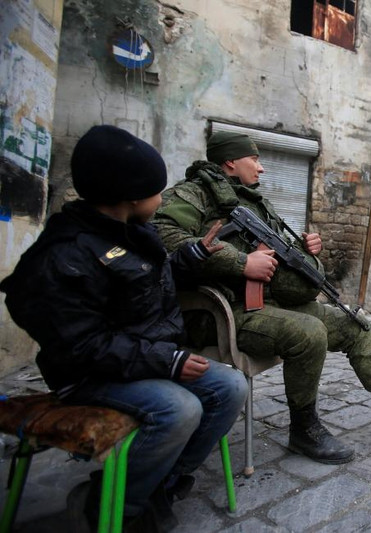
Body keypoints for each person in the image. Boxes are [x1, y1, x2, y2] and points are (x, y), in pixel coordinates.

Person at [152, 131, 371, 465]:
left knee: (354, 324)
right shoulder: (191, 195)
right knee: (308, 332)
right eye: (255, 159)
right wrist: (243, 263)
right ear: (230, 160)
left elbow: (280, 262)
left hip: (267, 303)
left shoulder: (255, 202)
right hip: (221, 313)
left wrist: (305, 253)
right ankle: (304, 427)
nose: (261, 169)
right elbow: (164, 237)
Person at [0, 125, 248, 532]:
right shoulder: (66, 254)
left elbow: (152, 278)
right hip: (88, 376)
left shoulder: (131, 233)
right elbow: (80, 345)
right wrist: (167, 361)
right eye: (158, 192)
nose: (162, 199)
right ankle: (114, 505)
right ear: (132, 197)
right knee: (179, 408)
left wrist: (194, 255)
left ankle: (161, 483)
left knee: (230, 386)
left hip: (144, 359)